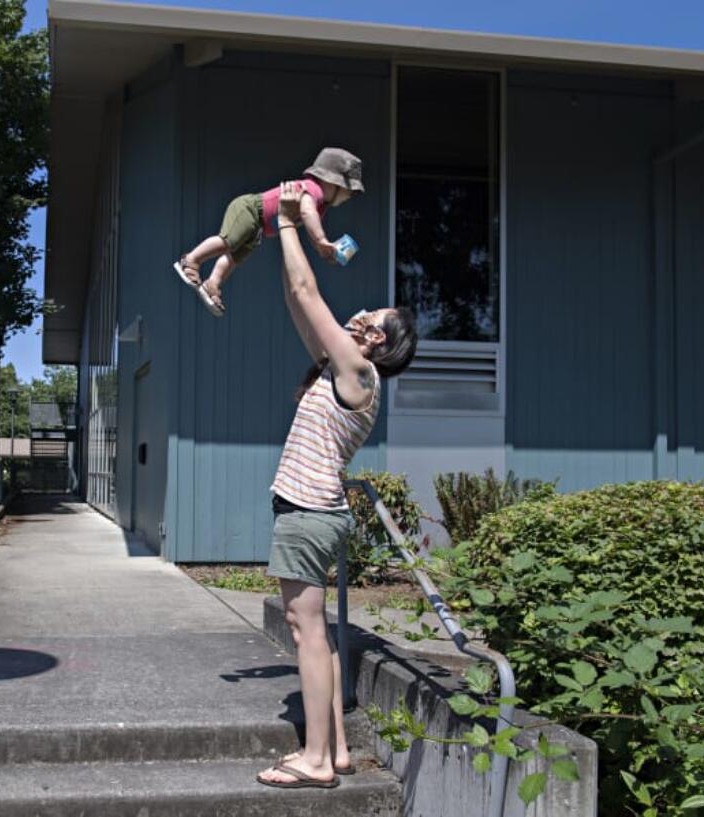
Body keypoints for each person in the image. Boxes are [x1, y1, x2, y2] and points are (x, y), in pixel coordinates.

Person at [255, 181, 418, 790]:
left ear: (377, 339)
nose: (359, 315)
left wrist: (292, 219)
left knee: (307, 633)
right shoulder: (340, 368)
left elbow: (306, 288)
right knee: (313, 633)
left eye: (370, 317)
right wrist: (285, 230)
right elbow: (297, 299)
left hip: (307, 511)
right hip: (315, 511)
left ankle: (317, 760)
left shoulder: (358, 372)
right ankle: (340, 750)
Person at [173, 147, 364, 317]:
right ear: (333, 183)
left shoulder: (321, 207)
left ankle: (212, 283)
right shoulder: (313, 189)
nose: (350, 196)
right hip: (250, 209)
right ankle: (191, 259)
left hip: (259, 225)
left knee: (236, 256)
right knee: (229, 241)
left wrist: (323, 249)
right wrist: (322, 239)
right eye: (350, 190)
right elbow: (307, 212)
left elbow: (311, 228)